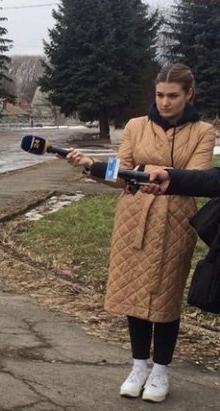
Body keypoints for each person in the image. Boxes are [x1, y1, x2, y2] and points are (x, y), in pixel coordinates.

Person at [64, 63, 215, 403]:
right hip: (133, 217)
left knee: (165, 295)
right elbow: (121, 173)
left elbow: (198, 177)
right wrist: (92, 166)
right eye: (160, 95)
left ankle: (161, 370)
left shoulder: (203, 131)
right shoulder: (135, 126)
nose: (165, 103)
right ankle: (138, 365)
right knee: (134, 292)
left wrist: (147, 171)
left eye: (173, 96)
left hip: (175, 219)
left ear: (189, 94)